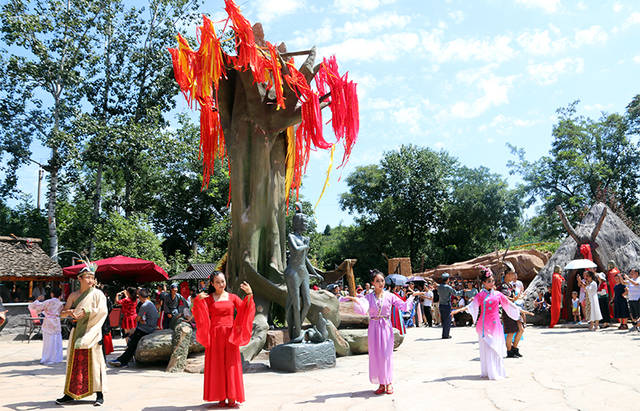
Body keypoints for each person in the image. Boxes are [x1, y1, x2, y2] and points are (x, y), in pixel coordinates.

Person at [343, 270, 419, 395]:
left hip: (386, 327)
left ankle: (388, 382)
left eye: (382, 280)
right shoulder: (367, 297)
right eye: (377, 281)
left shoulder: (390, 296)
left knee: (386, 355)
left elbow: (404, 307)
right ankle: (381, 383)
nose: (381, 283)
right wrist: (355, 299)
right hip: (373, 327)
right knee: (376, 356)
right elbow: (362, 310)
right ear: (372, 283)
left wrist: (412, 296)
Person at [451, 267, 531, 380]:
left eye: (492, 281)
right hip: (484, 325)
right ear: (483, 283)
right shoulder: (480, 295)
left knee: (497, 348)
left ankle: (497, 371)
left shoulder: (498, 294)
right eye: (489, 281)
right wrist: (457, 310)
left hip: (496, 324)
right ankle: (489, 371)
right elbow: (471, 306)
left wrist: (522, 311)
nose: (491, 283)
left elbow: (508, 304)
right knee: (488, 348)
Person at [192, 272, 255, 407]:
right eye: (218, 282)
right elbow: (199, 314)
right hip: (214, 336)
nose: (221, 284)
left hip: (230, 336)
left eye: (223, 281)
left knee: (231, 364)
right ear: (212, 284)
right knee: (217, 366)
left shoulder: (232, 298)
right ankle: (220, 397)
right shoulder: (208, 299)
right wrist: (197, 301)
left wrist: (249, 295)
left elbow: (245, 309)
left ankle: (232, 397)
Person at [56, 264, 108, 406]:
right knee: (73, 363)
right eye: (87, 277)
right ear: (79, 278)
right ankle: (69, 393)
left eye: (92, 277)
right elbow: (62, 313)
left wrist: (87, 311)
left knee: (95, 363)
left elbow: (103, 311)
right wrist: (69, 313)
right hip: (76, 332)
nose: (91, 280)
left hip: (92, 332)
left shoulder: (98, 294)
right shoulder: (74, 295)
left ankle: (99, 394)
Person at [109, 288, 159, 367]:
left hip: (146, 328)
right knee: (131, 338)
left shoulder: (144, 305)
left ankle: (123, 361)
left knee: (132, 342)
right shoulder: (150, 303)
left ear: (140, 296)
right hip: (149, 326)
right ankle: (123, 359)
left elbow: (138, 319)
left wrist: (141, 320)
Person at [28, 288, 64, 364]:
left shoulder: (49, 301)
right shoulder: (60, 303)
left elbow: (35, 307)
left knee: (48, 340)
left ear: (52, 294)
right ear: (60, 295)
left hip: (48, 321)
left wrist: (37, 300)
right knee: (56, 339)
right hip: (56, 321)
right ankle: (57, 357)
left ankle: (48, 358)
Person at [500, 272, 523, 358]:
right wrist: (514, 298)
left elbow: (513, 297)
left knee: (521, 329)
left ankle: (514, 348)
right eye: (512, 274)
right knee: (511, 332)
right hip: (507, 311)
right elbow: (503, 297)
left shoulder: (510, 285)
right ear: (507, 275)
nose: (514, 276)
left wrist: (518, 297)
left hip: (514, 309)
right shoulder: (502, 286)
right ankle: (509, 351)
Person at [438, 273, 462, 339]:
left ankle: (444, 334)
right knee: (447, 320)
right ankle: (446, 335)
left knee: (443, 320)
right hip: (446, 305)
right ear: (448, 279)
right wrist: (463, 291)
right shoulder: (448, 287)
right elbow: (456, 293)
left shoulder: (439, 286)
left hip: (441, 305)